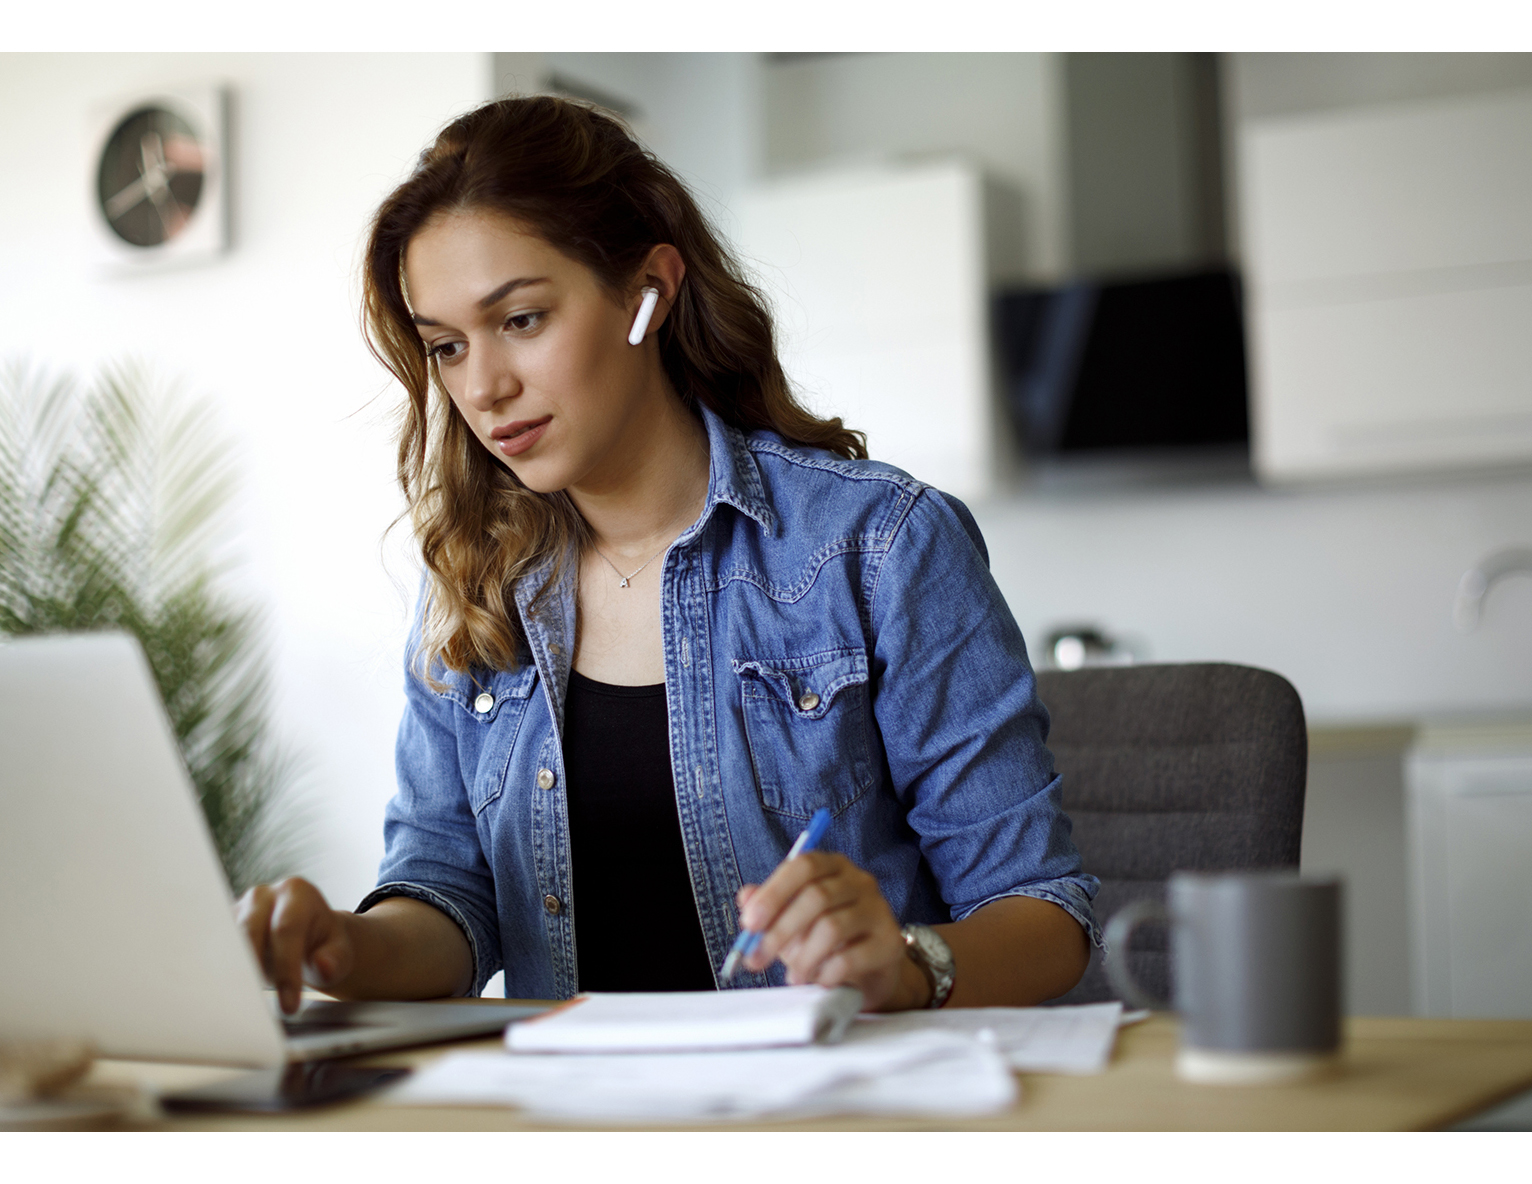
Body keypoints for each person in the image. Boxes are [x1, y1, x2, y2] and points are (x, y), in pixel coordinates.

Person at [238, 95, 1100, 1016]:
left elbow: (1044, 915)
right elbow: (448, 896)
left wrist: (906, 960)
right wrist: (343, 946)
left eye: (522, 320)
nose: (483, 387)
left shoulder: (878, 544)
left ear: (648, 290)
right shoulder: (472, 577)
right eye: (446, 346)